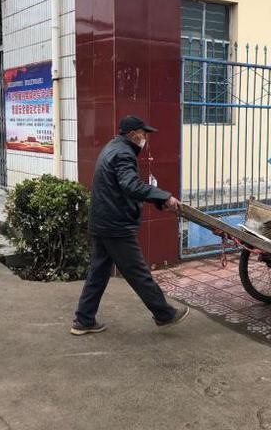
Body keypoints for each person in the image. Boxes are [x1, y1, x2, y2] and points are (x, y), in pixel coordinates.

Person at [71, 115, 190, 335]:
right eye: (143, 134)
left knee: (98, 272)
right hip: (116, 226)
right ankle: (164, 314)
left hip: (103, 221)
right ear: (132, 134)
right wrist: (165, 197)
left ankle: (84, 320)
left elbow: (123, 187)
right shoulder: (123, 153)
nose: (145, 138)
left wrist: (157, 199)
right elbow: (130, 185)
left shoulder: (113, 147)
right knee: (138, 272)